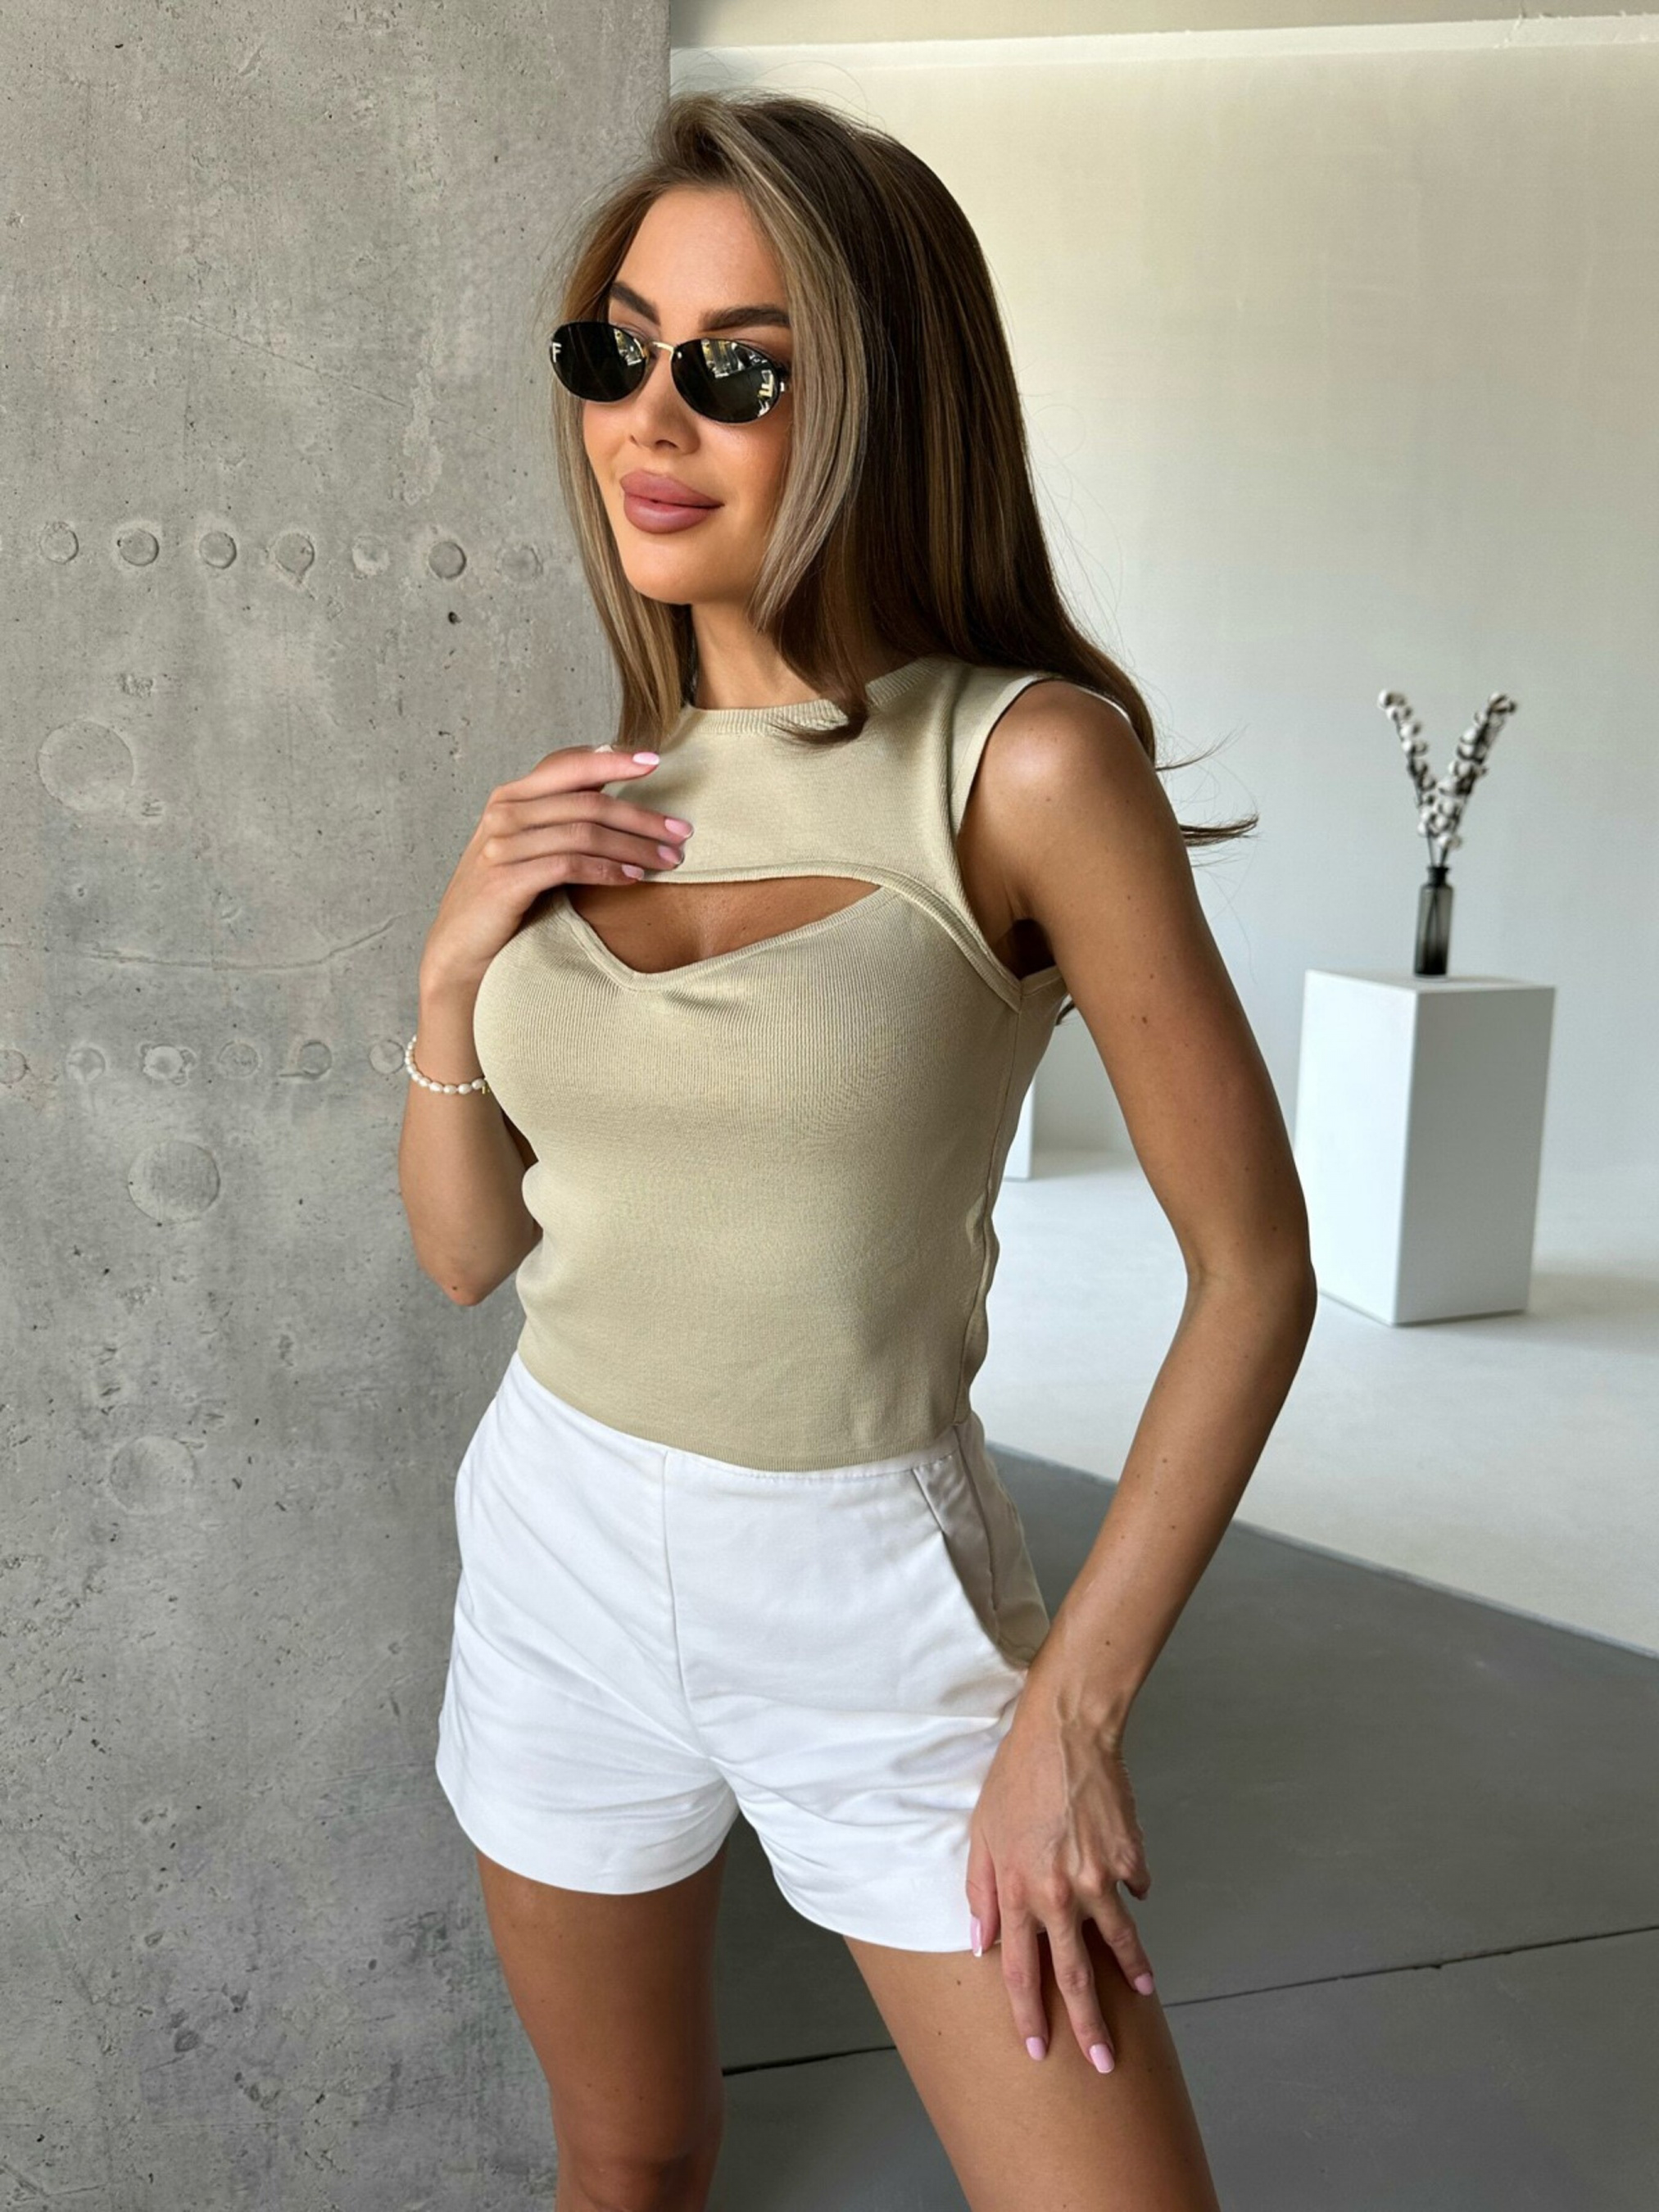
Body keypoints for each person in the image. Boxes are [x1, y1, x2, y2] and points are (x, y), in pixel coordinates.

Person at [397, 86, 1315, 2212]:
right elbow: (466, 1253)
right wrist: (451, 977)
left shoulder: (1023, 765)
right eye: (618, 349)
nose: (650, 417)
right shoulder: (605, 785)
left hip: (868, 1599)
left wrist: (1068, 1712)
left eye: (738, 370)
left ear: (884, 406)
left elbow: (1253, 1268)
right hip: (551, 1548)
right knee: (628, 2163)